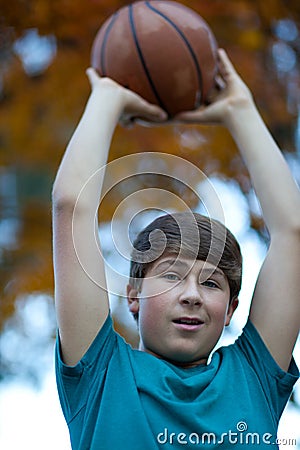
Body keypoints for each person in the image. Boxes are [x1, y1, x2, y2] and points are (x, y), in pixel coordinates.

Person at [52, 49, 300, 449]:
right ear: (133, 295)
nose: (191, 295)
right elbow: (71, 206)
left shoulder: (252, 375)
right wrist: (107, 97)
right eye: (171, 275)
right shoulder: (101, 373)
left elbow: (293, 233)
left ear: (231, 309)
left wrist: (241, 110)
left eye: (212, 284)